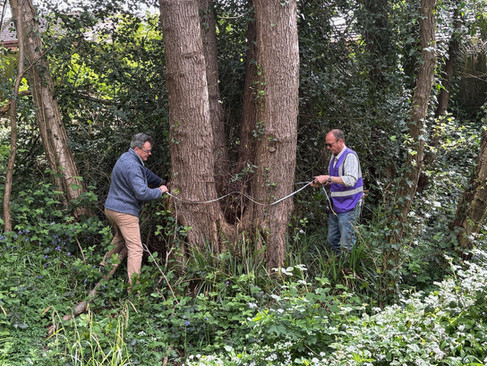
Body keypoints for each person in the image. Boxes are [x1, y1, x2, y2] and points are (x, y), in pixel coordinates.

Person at [103, 132, 168, 285]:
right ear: (138, 149)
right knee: (136, 249)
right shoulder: (133, 166)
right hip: (124, 213)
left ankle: (103, 267)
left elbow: (145, 173)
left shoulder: (127, 157)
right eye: (147, 151)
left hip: (111, 209)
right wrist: (160, 191)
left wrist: (160, 181)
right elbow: (142, 193)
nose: (149, 154)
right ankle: (134, 289)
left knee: (119, 237)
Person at [311, 129, 363, 253]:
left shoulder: (349, 156)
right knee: (332, 240)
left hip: (350, 205)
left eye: (330, 144)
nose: (328, 147)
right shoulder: (334, 157)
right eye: (326, 145)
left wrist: (327, 178)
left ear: (340, 141)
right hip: (335, 206)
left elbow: (350, 180)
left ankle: (347, 270)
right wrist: (323, 183)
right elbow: (337, 180)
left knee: (346, 244)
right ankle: (337, 264)